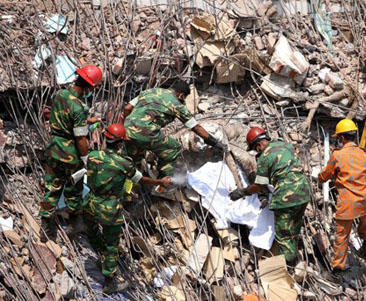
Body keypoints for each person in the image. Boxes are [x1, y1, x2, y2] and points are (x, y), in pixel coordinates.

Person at [84, 123, 171, 294]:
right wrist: (160, 182)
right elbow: (141, 180)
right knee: (111, 245)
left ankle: (100, 259)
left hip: (90, 204)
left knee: (93, 232)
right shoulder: (125, 163)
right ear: (120, 144)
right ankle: (110, 283)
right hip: (109, 208)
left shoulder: (93, 156)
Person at [229, 127, 311, 265]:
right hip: (303, 193)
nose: (257, 151)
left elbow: (260, 185)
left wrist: (242, 192)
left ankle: (284, 268)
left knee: (283, 236)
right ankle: (293, 260)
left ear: (259, 145)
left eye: (256, 149)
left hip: (286, 198)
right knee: (293, 230)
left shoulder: (264, 157)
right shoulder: (286, 145)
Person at [40, 64, 102, 242]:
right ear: (90, 87)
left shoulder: (60, 94)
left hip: (54, 148)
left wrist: (86, 120)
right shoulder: (79, 107)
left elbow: (62, 116)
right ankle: (74, 224)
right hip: (70, 154)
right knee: (74, 189)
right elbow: (81, 138)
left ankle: (46, 227)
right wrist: (85, 158)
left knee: (52, 187)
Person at [123, 81, 226, 178]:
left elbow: (127, 108)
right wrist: (215, 143)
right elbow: (195, 127)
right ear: (181, 95)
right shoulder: (177, 105)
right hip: (146, 132)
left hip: (126, 130)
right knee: (174, 148)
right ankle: (163, 181)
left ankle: (129, 179)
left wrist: (128, 127)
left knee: (133, 156)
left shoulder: (149, 91)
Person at [313, 119, 366, 281]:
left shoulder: (337, 155)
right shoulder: (363, 153)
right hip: (365, 198)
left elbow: (325, 176)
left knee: (342, 236)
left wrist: (318, 177)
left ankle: (338, 269)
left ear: (341, 138)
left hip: (348, 201)